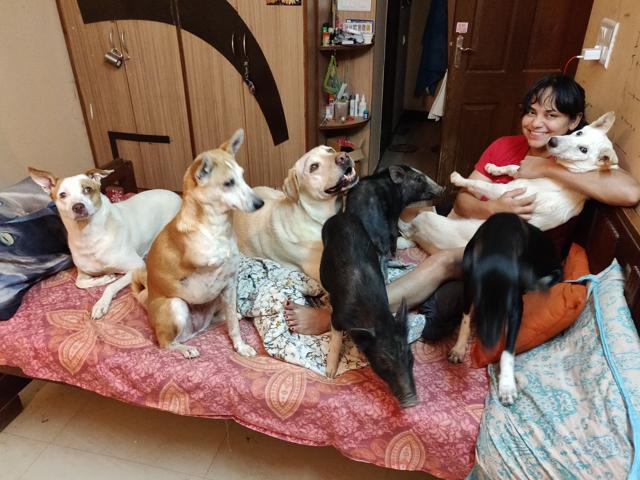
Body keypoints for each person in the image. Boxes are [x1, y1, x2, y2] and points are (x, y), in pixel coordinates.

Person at [285, 74, 640, 335]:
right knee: (410, 207)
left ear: (574, 122)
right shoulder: (505, 147)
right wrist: (496, 210)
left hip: (514, 257)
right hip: (471, 228)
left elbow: (629, 192)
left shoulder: (579, 156)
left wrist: (547, 166)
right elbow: (466, 199)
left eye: (551, 116)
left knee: (444, 265)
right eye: (532, 112)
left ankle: (339, 317)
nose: (537, 123)